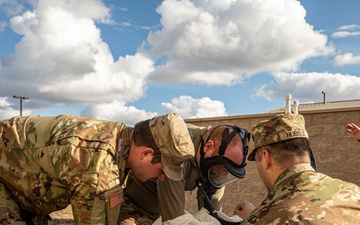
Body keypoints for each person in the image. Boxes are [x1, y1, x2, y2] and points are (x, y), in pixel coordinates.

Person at [0, 112, 195, 225]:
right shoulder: (98, 167)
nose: (161, 178)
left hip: (21, 184)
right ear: (146, 153)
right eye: (162, 170)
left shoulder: (121, 138)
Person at [234, 113, 360, 224]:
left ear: (266, 158)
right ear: (306, 152)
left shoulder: (262, 219)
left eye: (257, 160)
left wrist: (255, 218)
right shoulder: (354, 193)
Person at [118, 123, 250, 224]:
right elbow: (175, 220)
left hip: (158, 213)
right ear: (208, 147)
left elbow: (212, 214)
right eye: (223, 168)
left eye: (227, 172)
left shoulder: (215, 162)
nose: (222, 174)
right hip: (130, 206)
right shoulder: (178, 149)